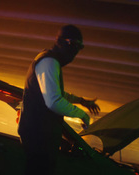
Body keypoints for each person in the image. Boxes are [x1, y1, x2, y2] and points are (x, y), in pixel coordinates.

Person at [18, 24, 100, 175]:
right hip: (39, 136)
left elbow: (56, 93)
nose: (75, 53)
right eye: (74, 46)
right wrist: (82, 114)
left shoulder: (48, 60)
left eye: (79, 47)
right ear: (62, 42)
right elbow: (54, 101)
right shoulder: (49, 62)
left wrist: (81, 100)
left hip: (38, 135)